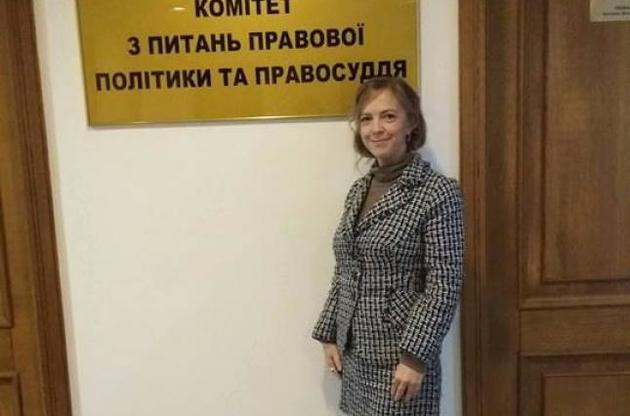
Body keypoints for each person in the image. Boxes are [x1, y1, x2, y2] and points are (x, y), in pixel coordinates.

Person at [312, 77, 464, 416]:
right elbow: (346, 267)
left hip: (401, 361)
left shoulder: (437, 192)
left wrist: (415, 357)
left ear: (411, 123)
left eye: (389, 116)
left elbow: (444, 282)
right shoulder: (358, 191)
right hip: (354, 353)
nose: (376, 128)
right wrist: (329, 333)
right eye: (366, 119)